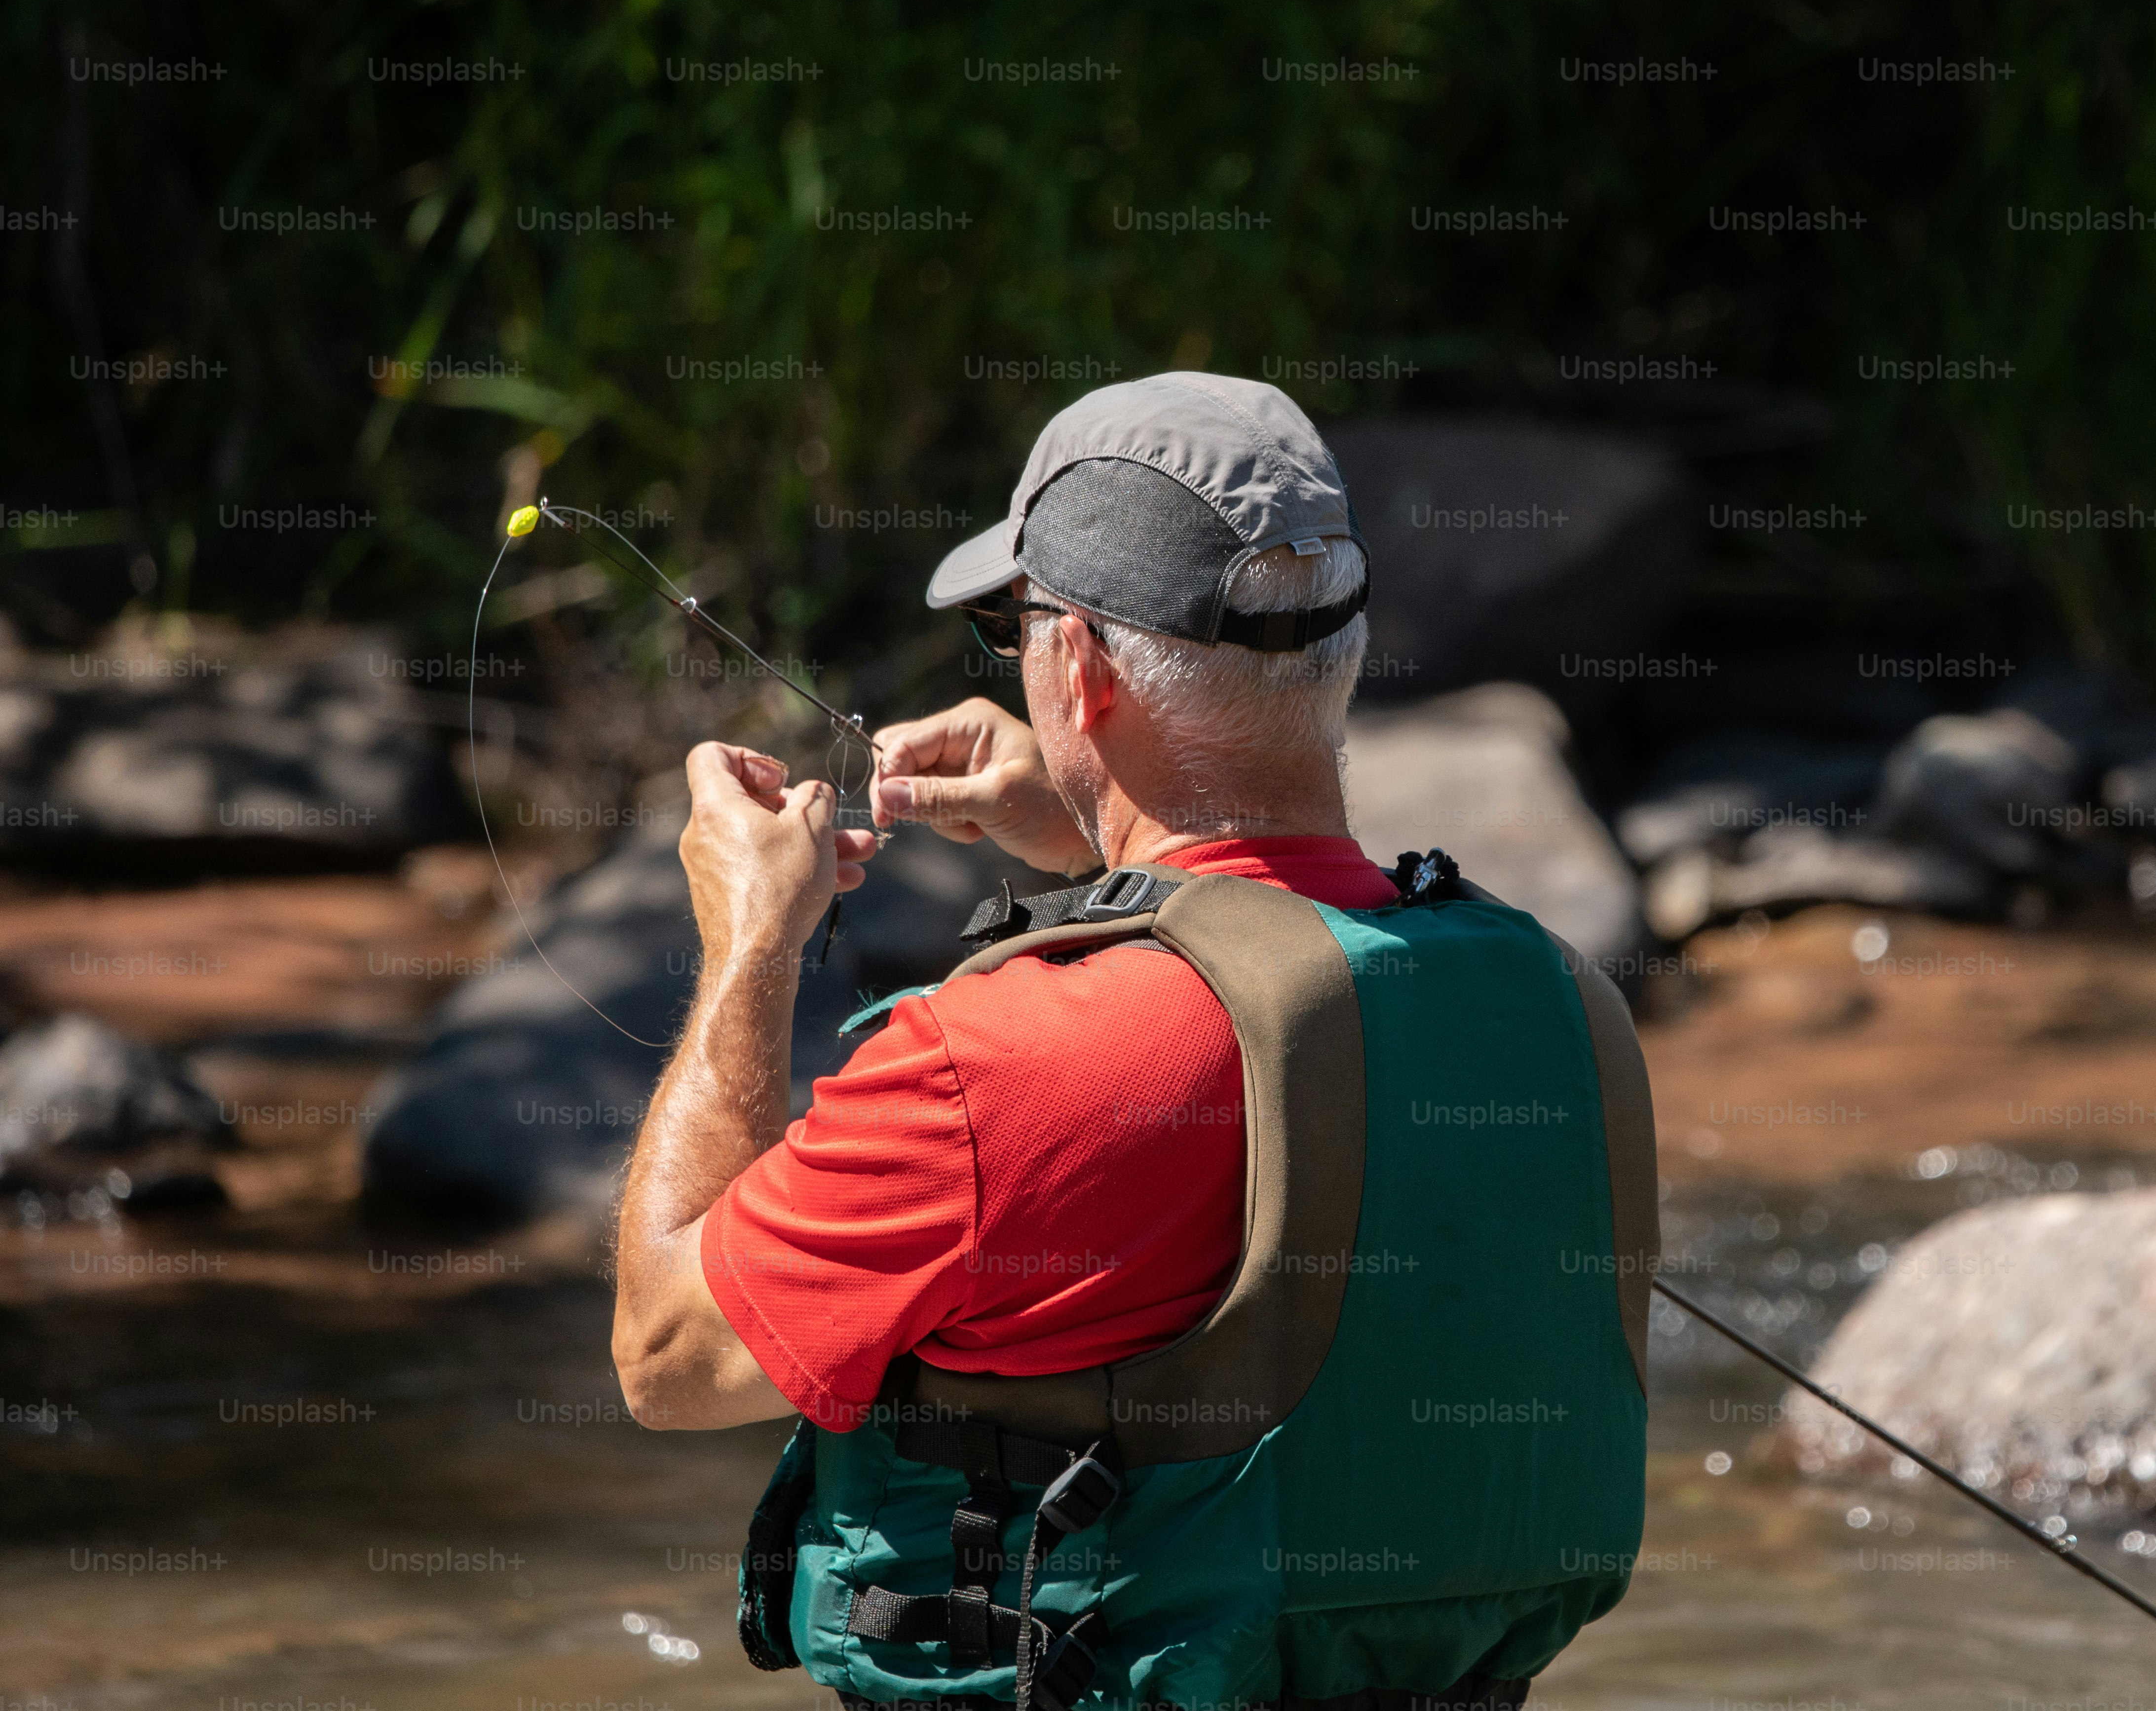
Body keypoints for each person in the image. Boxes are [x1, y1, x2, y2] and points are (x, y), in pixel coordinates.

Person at [608, 372, 1660, 1711]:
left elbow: (671, 1359)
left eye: (1015, 624)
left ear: (1082, 667)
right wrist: (1097, 846)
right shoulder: (1562, 1009)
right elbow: (1280, 1001)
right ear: (1336, 645)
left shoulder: (992, 1063)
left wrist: (749, 947)